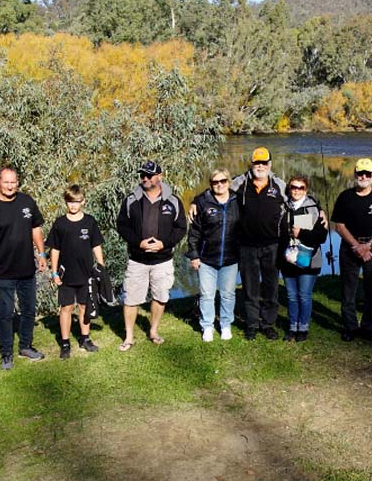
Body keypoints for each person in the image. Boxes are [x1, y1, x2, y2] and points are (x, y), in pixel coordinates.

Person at [0, 167, 47, 370]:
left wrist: (41, 255)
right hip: (3, 271)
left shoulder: (27, 202)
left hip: (26, 269)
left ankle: (26, 346)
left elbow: (36, 229)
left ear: (18, 182)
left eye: (13, 182)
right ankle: (6, 354)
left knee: (29, 310)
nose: (9, 186)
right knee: (6, 314)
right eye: (6, 182)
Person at [116, 160, 187, 351]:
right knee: (130, 298)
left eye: (149, 175)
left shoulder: (173, 201)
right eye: (142, 175)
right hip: (137, 260)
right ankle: (129, 337)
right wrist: (137, 242)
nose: (145, 179)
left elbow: (181, 228)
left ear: (160, 176)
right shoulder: (131, 200)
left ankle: (153, 331)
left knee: (161, 296)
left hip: (163, 260)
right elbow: (122, 225)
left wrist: (165, 243)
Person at [332, 158, 372, 342]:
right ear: (355, 174)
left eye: (367, 173)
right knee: (348, 290)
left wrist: (368, 246)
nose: (363, 177)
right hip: (349, 247)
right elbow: (339, 226)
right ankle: (350, 327)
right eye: (360, 173)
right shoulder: (345, 196)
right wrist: (356, 246)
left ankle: (368, 327)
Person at [231, 147, 287, 341]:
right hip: (246, 246)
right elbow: (218, 190)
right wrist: (197, 200)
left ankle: (268, 323)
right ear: (252, 164)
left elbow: (298, 199)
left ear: (270, 164)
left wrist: (318, 211)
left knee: (271, 287)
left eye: (264, 163)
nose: (260, 166)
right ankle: (252, 324)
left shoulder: (279, 184)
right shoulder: (240, 182)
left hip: (272, 245)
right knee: (250, 287)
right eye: (257, 163)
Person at [46, 184, 104, 359]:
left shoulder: (90, 222)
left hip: (86, 274)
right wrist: (54, 273)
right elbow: (54, 250)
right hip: (66, 276)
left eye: (77, 202)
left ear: (83, 201)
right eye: (70, 202)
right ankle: (65, 343)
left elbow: (96, 245)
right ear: (65, 202)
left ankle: (85, 339)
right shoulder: (60, 223)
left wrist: (101, 266)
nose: (73, 205)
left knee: (84, 306)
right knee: (66, 307)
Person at [186, 168, 240, 342]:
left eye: (223, 181)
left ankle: (225, 325)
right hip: (206, 259)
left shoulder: (237, 200)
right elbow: (194, 232)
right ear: (210, 185)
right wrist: (194, 255)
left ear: (228, 182)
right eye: (216, 182)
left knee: (227, 294)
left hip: (230, 258)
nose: (220, 185)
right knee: (207, 295)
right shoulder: (202, 202)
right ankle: (207, 326)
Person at [278, 175, 329, 342]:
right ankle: (293, 326)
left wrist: (302, 234)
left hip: (309, 259)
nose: (296, 190)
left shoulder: (314, 208)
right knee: (291, 296)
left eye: (300, 188)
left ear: (306, 190)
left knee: (304, 295)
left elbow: (322, 236)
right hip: (288, 260)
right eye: (293, 187)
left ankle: (303, 327)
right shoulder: (283, 207)